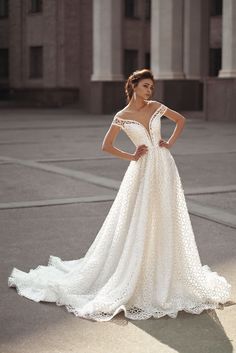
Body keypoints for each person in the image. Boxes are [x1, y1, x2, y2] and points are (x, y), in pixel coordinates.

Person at [8, 68, 231, 322]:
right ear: (134, 86)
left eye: (151, 87)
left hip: (165, 166)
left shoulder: (156, 106)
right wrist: (131, 156)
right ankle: (135, 268)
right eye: (146, 86)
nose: (150, 91)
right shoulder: (122, 116)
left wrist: (169, 142)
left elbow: (180, 120)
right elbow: (106, 145)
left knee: (165, 215)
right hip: (143, 170)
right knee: (139, 218)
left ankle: (163, 268)